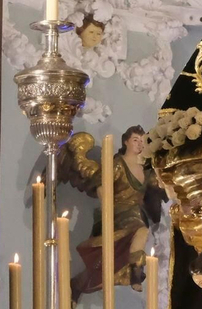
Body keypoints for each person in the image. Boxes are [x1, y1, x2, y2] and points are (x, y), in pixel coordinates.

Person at [59, 124, 166, 298]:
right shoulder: (118, 165)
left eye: (142, 141)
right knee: (114, 255)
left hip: (134, 213)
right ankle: (133, 272)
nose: (140, 144)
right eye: (135, 140)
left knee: (120, 256)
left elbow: (158, 188)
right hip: (115, 212)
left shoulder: (146, 169)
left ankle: (133, 271)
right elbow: (101, 186)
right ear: (126, 142)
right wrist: (108, 208)